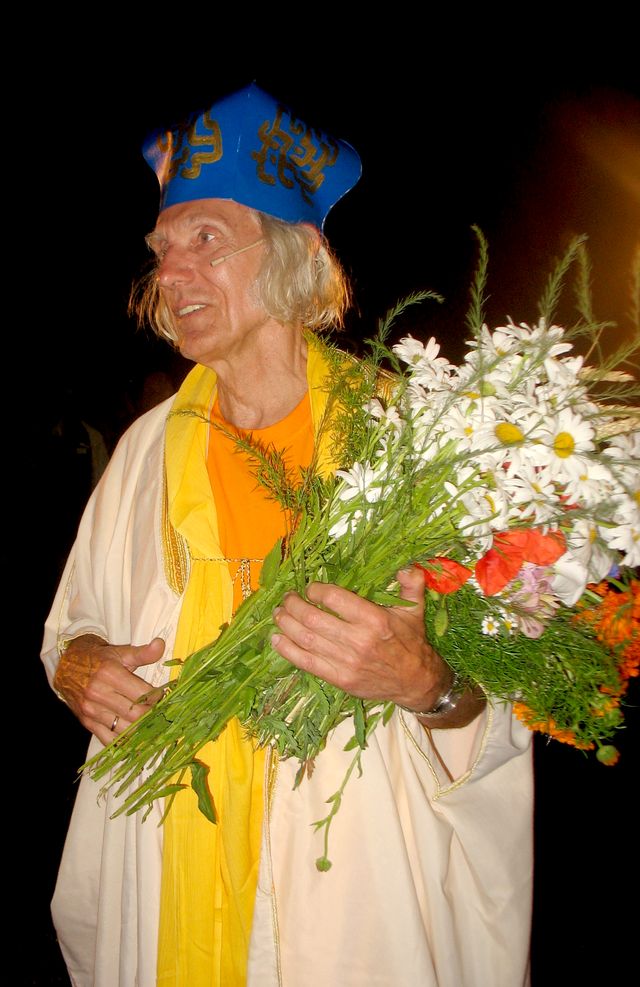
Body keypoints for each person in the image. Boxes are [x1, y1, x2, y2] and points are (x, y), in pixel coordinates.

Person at [41, 82, 534, 987]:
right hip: (167, 870)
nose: (171, 275)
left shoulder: (412, 442)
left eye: (205, 240)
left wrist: (426, 682)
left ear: (297, 253)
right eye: (161, 250)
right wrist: (77, 664)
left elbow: (497, 700)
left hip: (349, 894)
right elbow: (70, 627)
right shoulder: (144, 454)